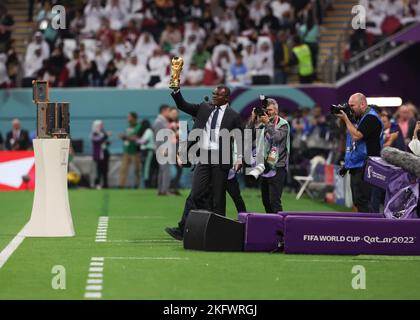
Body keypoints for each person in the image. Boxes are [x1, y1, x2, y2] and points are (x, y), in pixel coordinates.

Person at [165, 85, 242, 240]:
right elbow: (182, 105)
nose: (214, 96)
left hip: (222, 158)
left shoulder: (233, 115)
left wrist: (239, 157)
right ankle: (197, 224)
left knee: (219, 197)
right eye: (213, 93)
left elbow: (240, 137)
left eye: (217, 95)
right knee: (196, 193)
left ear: (226, 98)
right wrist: (176, 91)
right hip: (204, 156)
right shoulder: (204, 108)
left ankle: (220, 233)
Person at [336, 93, 383, 213]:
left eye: (352, 105)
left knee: (362, 199)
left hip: (367, 164)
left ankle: (373, 228)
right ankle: (366, 227)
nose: (350, 108)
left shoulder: (371, 118)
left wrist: (346, 118)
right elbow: (344, 131)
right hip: (357, 163)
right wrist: (344, 117)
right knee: (357, 200)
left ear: (363, 104)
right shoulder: (360, 117)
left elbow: (356, 136)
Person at [247, 98, 290, 213]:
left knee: (274, 201)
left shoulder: (283, 124)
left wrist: (267, 123)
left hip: (277, 166)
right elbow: (248, 135)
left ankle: (281, 228)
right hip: (264, 165)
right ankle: (271, 225)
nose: (268, 112)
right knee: (266, 201)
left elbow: (277, 137)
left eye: (270, 110)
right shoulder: (261, 123)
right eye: (266, 110)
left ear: (276, 111)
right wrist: (252, 119)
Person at [153, 104, 172, 195]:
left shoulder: (163, 121)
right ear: (164, 111)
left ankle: (161, 190)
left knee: (163, 170)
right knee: (165, 170)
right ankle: (164, 190)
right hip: (163, 149)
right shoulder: (159, 122)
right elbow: (159, 137)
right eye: (168, 111)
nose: (170, 113)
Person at [119, 112, 142, 188]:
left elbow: (135, 138)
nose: (128, 119)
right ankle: (121, 185)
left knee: (137, 170)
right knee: (123, 169)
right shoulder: (128, 127)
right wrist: (123, 137)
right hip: (126, 151)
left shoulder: (139, 127)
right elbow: (128, 137)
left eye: (129, 117)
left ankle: (136, 185)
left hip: (135, 152)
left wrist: (125, 137)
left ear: (134, 118)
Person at [91, 120, 111, 189]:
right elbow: (97, 140)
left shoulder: (102, 132)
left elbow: (104, 141)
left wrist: (107, 142)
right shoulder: (94, 134)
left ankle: (105, 184)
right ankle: (97, 183)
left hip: (105, 153)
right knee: (98, 170)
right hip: (98, 154)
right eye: (100, 125)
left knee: (105, 170)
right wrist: (106, 136)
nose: (101, 126)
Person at [137, 119, 155, 188]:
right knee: (145, 168)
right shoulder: (147, 131)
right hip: (146, 151)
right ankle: (146, 183)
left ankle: (148, 184)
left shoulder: (148, 131)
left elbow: (144, 141)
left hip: (148, 151)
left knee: (147, 168)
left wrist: (136, 140)